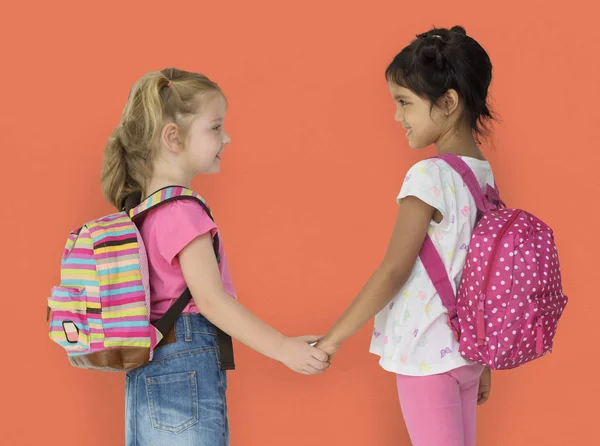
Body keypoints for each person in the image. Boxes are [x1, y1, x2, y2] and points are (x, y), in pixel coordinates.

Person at [100, 68, 329, 445]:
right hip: (184, 365)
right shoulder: (180, 211)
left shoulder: (142, 211)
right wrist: (282, 347)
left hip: (148, 369)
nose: (226, 137)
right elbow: (210, 300)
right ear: (173, 137)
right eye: (215, 127)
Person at [316, 26, 495, 446]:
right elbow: (478, 274)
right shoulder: (483, 176)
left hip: (427, 352)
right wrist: (484, 359)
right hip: (466, 353)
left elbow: (394, 269)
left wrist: (331, 341)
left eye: (404, 103)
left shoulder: (430, 176)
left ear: (448, 102)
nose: (397, 117)